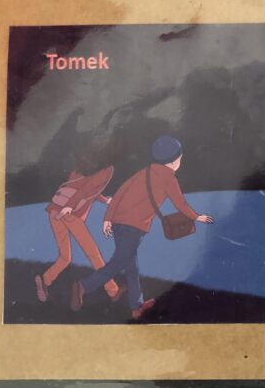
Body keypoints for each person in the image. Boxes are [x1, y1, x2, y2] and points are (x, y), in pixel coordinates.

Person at [70, 136, 214, 320]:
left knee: (131, 267)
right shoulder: (168, 178)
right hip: (134, 226)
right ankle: (84, 286)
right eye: (180, 158)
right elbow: (180, 204)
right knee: (119, 262)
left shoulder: (145, 172)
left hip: (119, 222)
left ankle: (137, 307)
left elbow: (121, 192)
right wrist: (197, 217)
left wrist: (108, 218)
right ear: (175, 161)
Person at [35, 166, 123, 303]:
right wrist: (70, 205)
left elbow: (87, 188)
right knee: (93, 253)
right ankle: (113, 290)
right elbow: (86, 189)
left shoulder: (83, 164)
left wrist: (105, 200)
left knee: (65, 257)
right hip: (70, 213)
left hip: (55, 210)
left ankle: (45, 280)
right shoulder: (107, 169)